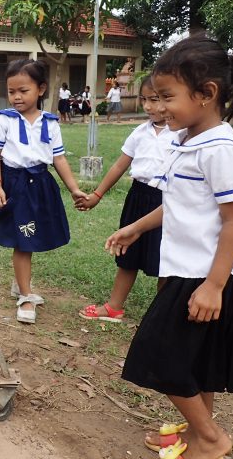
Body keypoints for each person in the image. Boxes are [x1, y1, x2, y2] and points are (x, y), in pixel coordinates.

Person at [106, 35, 233, 458]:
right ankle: (197, 434)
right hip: (187, 269)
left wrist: (213, 286)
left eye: (167, 97)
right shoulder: (186, 142)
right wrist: (135, 227)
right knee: (197, 363)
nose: (159, 106)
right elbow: (177, 203)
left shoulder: (223, 152)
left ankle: (211, 438)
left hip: (208, 276)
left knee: (158, 356)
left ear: (207, 94)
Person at [0, 59, 86, 324]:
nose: (16, 97)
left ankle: (20, 284)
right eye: (12, 92)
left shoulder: (51, 123)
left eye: (23, 90)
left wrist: (74, 189)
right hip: (14, 185)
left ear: (41, 89)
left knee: (30, 238)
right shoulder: (4, 121)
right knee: (23, 241)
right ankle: (26, 296)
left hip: (40, 185)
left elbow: (60, 159)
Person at [77, 77, 171, 326]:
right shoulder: (140, 132)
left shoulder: (182, 133)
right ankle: (114, 306)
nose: (149, 106)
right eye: (145, 99)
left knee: (166, 259)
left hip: (167, 202)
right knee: (127, 254)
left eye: (156, 99)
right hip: (138, 198)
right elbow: (121, 164)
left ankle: (162, 317)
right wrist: (97, 195)